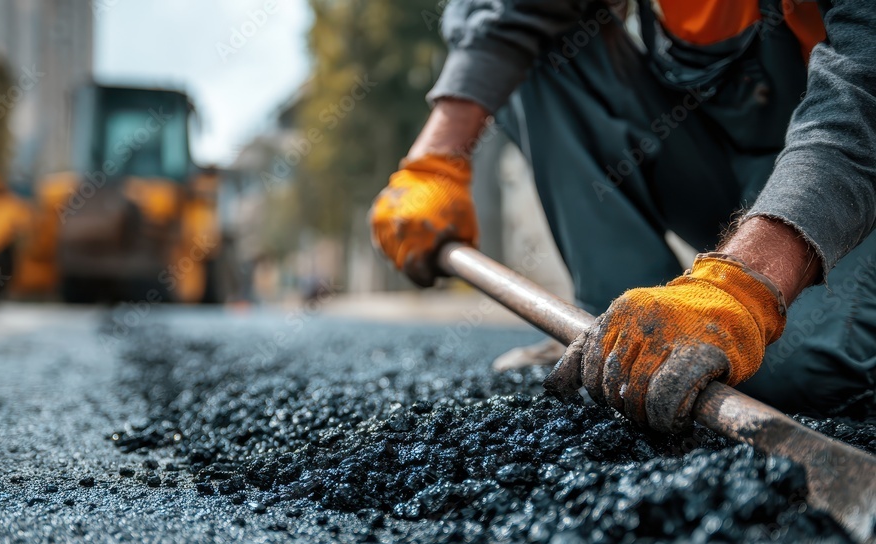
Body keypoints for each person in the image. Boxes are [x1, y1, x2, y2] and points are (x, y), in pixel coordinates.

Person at [368, 0, 876, 432]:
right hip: (722, 161)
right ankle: (615, 336)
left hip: (849, 188)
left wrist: (743, 291)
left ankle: (728, 310)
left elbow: (862, 99)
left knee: (798, 373)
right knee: (543, 45)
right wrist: (436, 160)